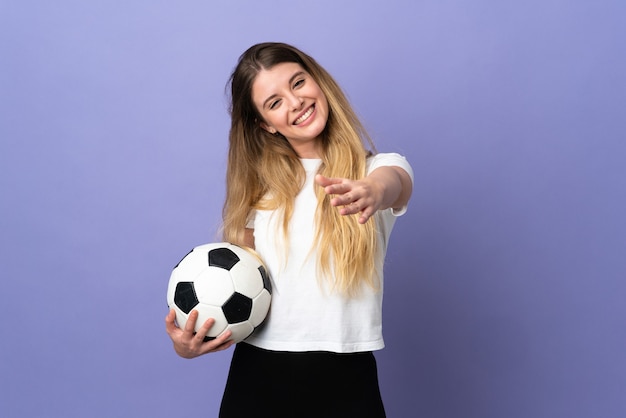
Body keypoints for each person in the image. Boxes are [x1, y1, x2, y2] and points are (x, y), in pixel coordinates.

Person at [165, 42, 413, 418]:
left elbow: (394, 182)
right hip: (257, 379)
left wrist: (372, 191)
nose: (295, 101)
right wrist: (189, 343)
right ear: (265, 123)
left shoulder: (375, 170)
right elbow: (234, 290)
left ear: (318, 80)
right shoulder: (259, 194)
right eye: (274, 102)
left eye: (298, 83)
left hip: (348, 379)